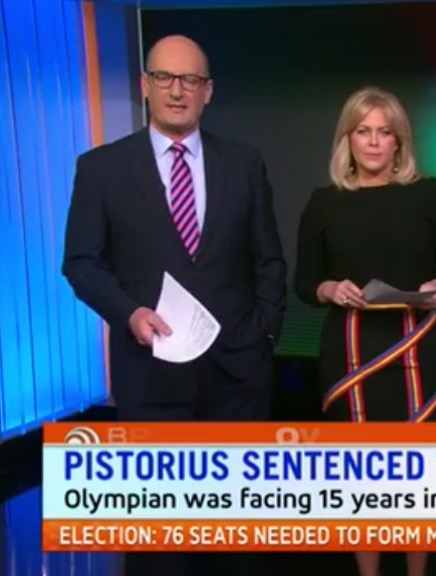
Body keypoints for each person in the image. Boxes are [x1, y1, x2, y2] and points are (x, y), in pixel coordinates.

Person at [61, 35, 286, 575]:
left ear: (209, 91)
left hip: (236, 378)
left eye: (190, 80)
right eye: (164, 77)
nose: (177, 91)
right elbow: (82, 263)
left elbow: (269, 261)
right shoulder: (100, 169)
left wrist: (264, 334)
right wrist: (128, 313)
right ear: (145, 85)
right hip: (150, 380)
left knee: (235, 546)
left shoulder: (244, 163)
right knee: (159, 549)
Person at [293, 86, 436, 576]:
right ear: (347, 140)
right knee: (360, 478)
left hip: (415, 349)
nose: (373, 142)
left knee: (418, 477)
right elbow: (304, 282)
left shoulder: (428, 195)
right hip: (350, 352)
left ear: (399, 142)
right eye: (363, 131)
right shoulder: (324, 203)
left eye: (384, 132)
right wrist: (330, 288)